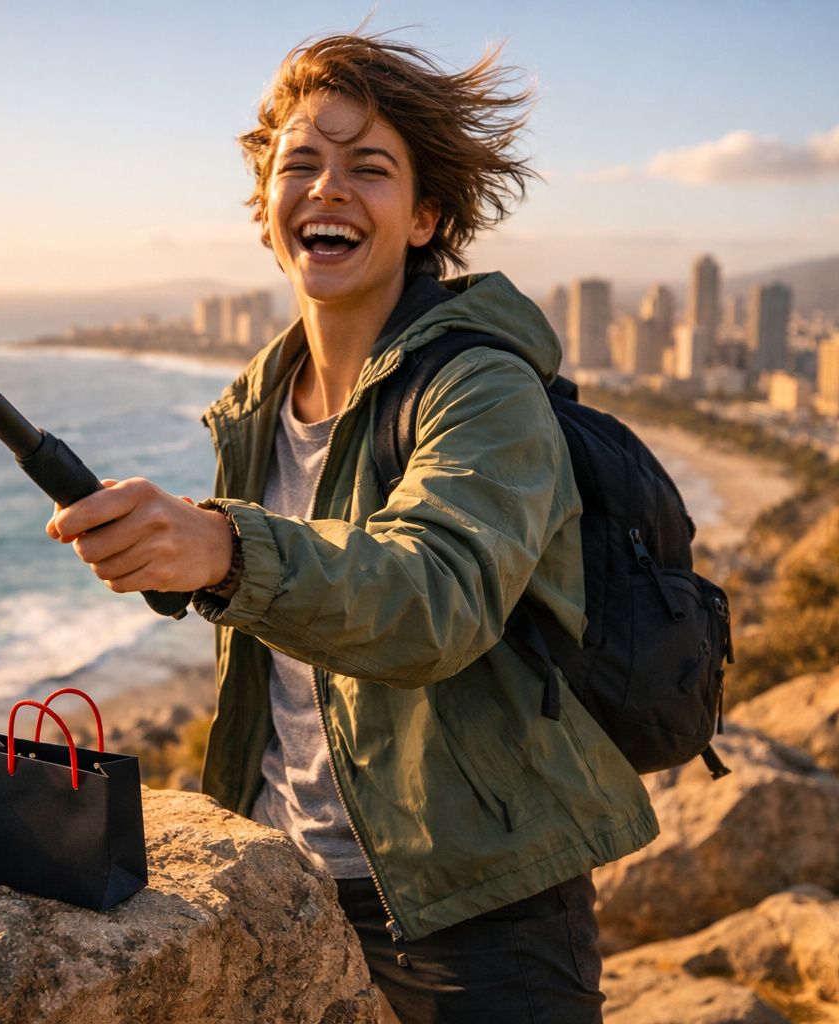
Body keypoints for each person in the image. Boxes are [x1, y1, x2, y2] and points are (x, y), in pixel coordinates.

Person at [46, 33, 656, 1022]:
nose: (327, 187)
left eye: (369, 167)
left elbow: (436, 595)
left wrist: (226, 549)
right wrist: (175, 559)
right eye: (301, 164)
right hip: (285, 878)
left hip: (477, 905)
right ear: (265, 211)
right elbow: (286, 619)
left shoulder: (482, 387)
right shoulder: (258, 400)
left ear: (423, 217)